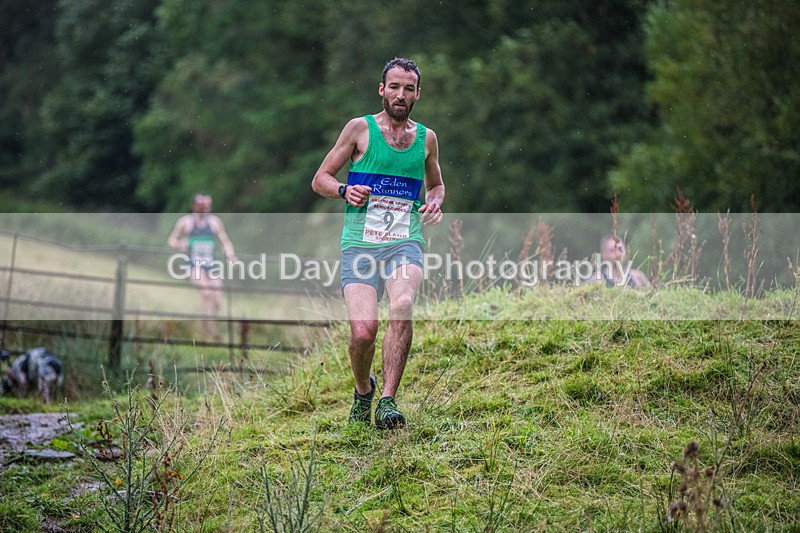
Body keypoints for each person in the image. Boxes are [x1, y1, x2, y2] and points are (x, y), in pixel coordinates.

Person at [311, 58, 445, 430]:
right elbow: (320, 178)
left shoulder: (426, 139)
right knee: (363, 331)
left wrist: (434, 202)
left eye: (408, 89)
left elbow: (436, 185)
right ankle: (363, 390)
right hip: (360, 245)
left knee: (402, 304)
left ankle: (387, 400)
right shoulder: (360, 129)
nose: (401, 95)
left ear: (418, 94)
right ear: (382, 89)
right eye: (394, 87)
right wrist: (344, 190)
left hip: (405, 242)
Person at [167, 193, 238, 339]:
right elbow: (171, 240)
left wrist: (230, 256)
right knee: (206, 293)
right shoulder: (185, 222)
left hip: (210, 265)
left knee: (217, 301)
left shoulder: (215, 223)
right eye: (202, 206)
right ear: (194, 206)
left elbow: (225, 242)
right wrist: (180, 244)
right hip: (193, 265)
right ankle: (207, 331)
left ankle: (206, 326)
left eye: (208, 206)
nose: (205, 209)